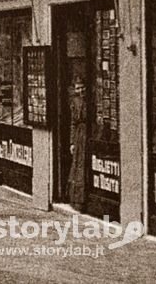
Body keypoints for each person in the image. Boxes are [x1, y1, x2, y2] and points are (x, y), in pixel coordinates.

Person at [67, 76, 87, 211]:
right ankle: (76, 199)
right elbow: (73, 123)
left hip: (88, 134)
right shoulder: (74, 102)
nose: (80, 91)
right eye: (77, 88)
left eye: (82, 88)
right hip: (80, 136)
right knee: (78, 166)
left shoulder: (90, 100)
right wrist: (72, 142)